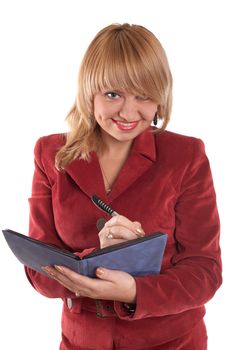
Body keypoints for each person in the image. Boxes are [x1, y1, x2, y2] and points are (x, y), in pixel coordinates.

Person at [25, 23, 222, 349]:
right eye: (113, 94)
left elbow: (205, 272)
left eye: (144, 96)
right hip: (81, 341)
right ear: (90, 92)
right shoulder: (50, 154)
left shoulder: (187, 156)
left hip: (172, 342)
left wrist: (134, 291)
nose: (129, 112)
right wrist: (96, 259)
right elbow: (38, 274)